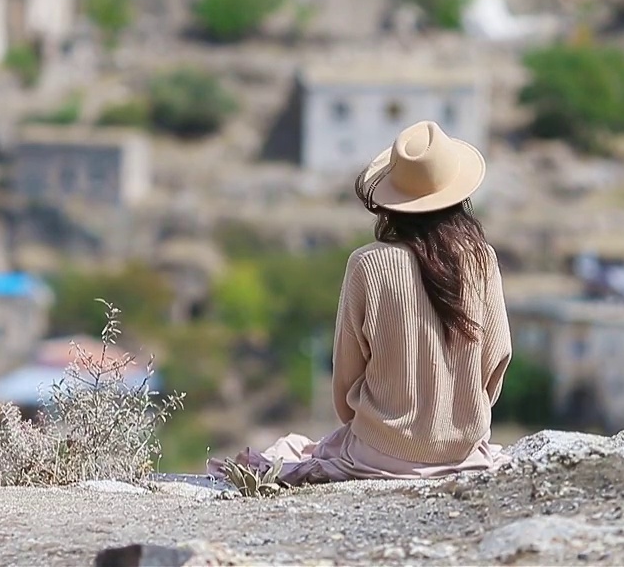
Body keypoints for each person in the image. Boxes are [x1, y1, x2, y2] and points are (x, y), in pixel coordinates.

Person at [207, 120, 513, 485]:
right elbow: (496, 361)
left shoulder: (367, 264)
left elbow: (346, 378)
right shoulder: (483, 260)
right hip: (463, 452)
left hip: (377, 454)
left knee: (293, 449)